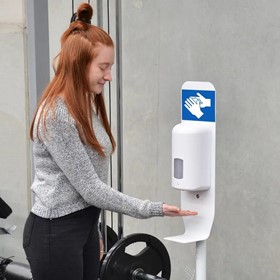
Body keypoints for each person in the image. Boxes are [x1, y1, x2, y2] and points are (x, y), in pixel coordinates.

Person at [22, 3, 198, 280]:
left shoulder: (87, 105)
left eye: (110, 66)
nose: (109, 75)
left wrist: (94, 230)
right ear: (79, 64)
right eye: (103, 67)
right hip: (55, 234)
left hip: (83, 227)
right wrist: (153, 209)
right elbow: (91, 189)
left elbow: (88, 190)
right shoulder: (57, 115)